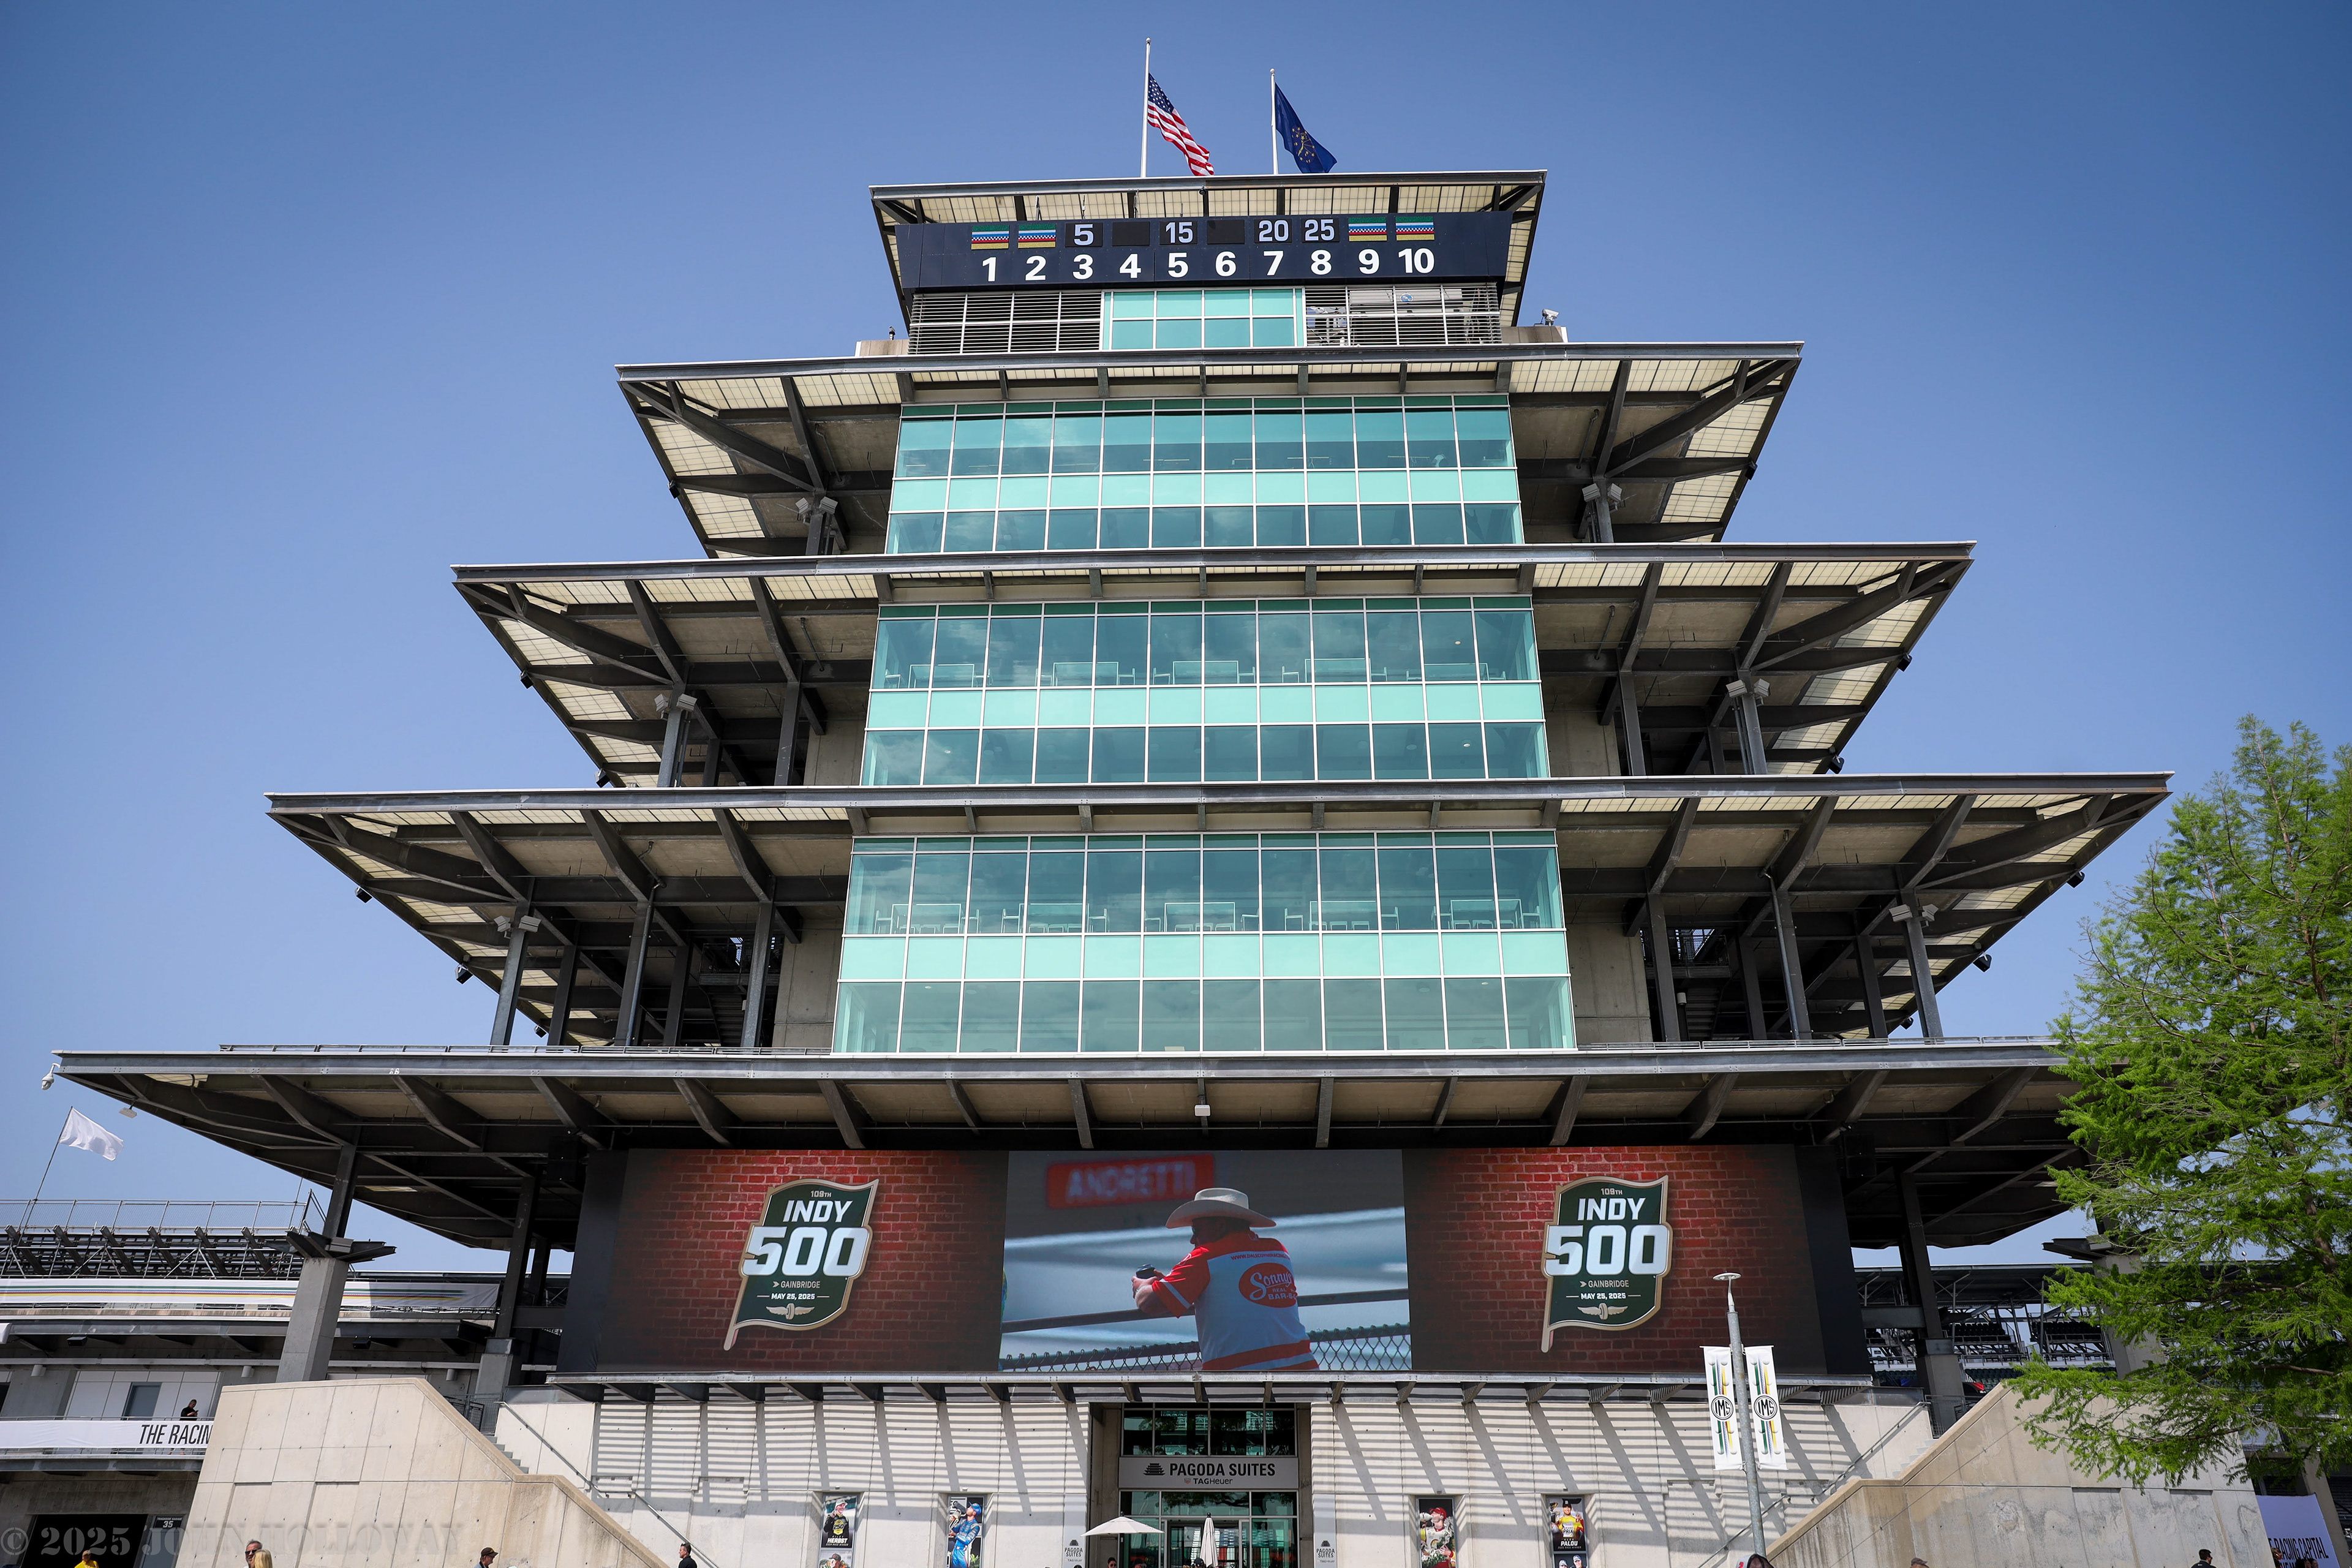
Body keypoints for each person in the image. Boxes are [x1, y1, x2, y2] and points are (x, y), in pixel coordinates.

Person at [1132, 1188, 1317, 1373]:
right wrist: (1180, 1287)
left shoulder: (1205, 1258)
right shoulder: (1278, 1251)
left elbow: (1151, 1303)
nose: (1193, 1239)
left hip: (1239, 1380)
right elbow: (1231, 1290)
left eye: (1196, 1230)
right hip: (1304, 1374)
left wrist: (1141, 1287)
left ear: (1220, 1226)